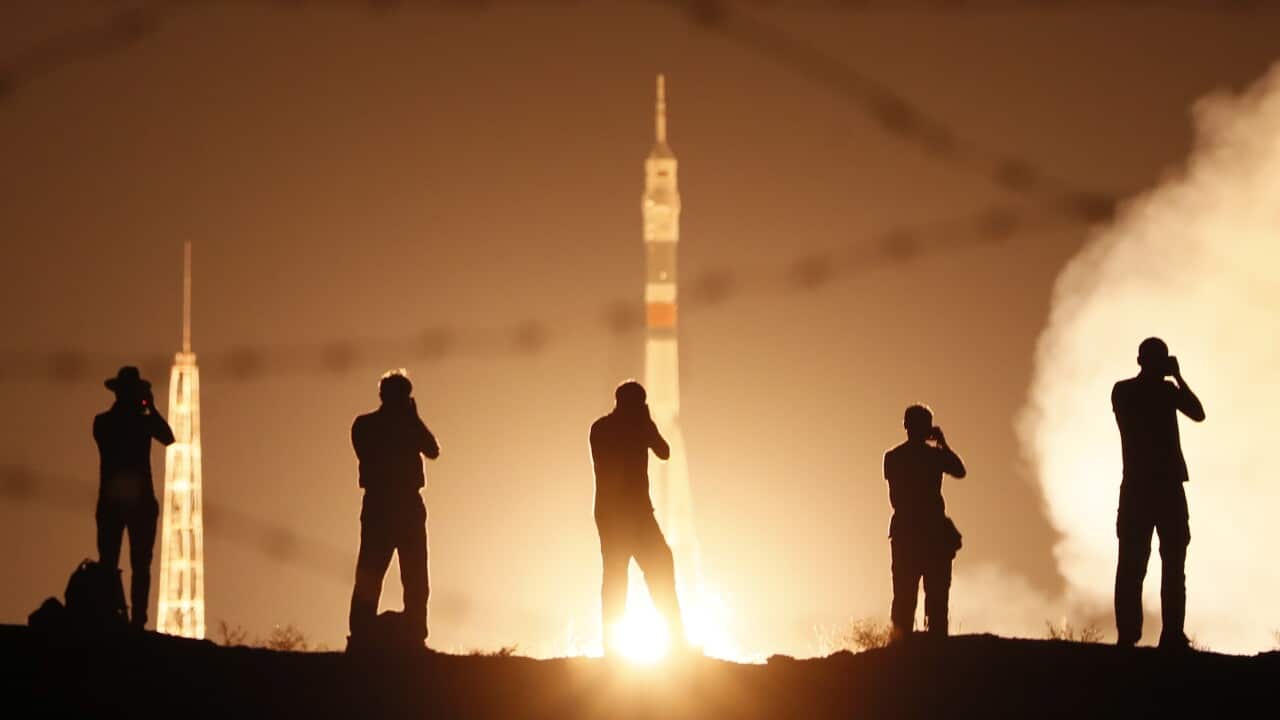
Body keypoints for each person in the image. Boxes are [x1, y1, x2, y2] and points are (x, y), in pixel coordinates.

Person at [1112, 337, 1205, 650]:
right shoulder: (1125, 391)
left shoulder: (1166, 392)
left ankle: (1172, 634)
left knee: (1172, 562)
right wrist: (1172, 380)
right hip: (1142, 487)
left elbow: (1198, 413)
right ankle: (1129, 634)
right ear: (1142, 361)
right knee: (1133, 563)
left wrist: (1178, 378)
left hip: (1164, 488)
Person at [589, 380, 688, 657]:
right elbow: (616, 464)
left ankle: (675, 642)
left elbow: (664, 452)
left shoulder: (634, 428)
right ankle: (614, 647)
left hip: (635, 512)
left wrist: (648, 428)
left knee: (657, 566)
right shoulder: (604, 429)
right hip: (617, 514)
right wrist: (643, 428)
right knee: (617, 575)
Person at [348, 370, 440, 650]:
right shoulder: (366, 425)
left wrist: (413, 421)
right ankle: (362, 633)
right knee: (372, 572)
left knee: (414, 574)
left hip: (404, 505)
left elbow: (433, 450)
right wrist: (410, 422)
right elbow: (430, 449)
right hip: (383, 504)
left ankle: (414, 632)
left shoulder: (403, 426)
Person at [94, 365, 175, 629]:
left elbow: (168, 438)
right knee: (135, 565)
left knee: (116, 562)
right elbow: (167, 436)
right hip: (135, 503)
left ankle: (119, 617)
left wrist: (148, 410)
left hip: (115, 503)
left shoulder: (105, 422)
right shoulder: (119, 422)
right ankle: (133, 619)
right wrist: (150, 409)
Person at [883, 404, 966, 641]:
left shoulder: (894, 457)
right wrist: (942, 444)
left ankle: (902, 647)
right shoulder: (931, 457)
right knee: (932, 597)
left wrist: (941, 446)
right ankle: (928, 646)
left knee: (907, 596)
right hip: (928, 532)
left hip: (911, 532)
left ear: (905, 426)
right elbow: (958, 470)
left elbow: (959, 471)